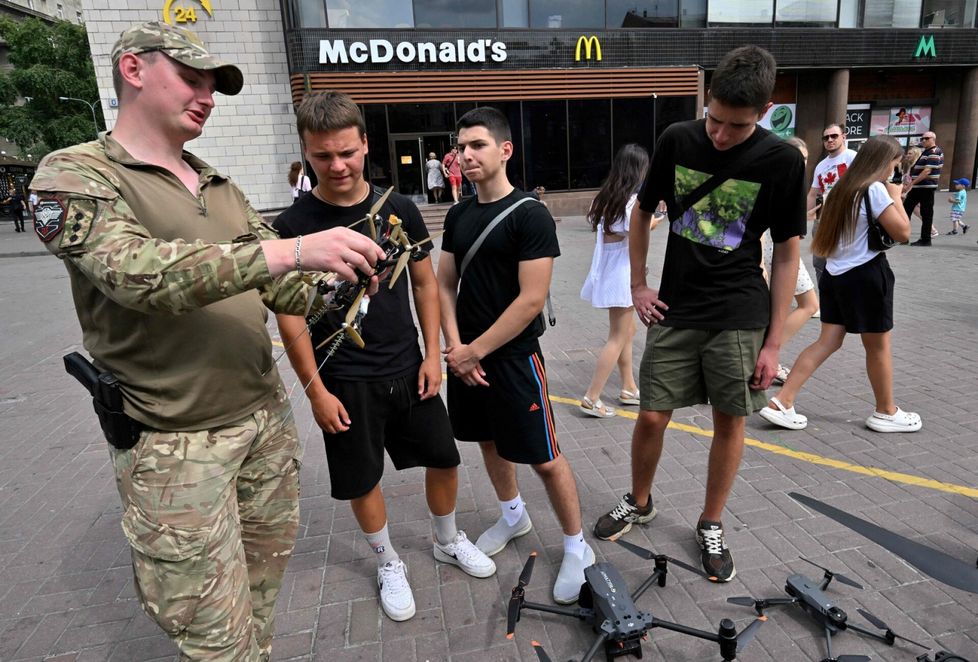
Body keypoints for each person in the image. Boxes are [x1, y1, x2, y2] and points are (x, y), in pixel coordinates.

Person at [28, 22, 385, 662]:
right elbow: (138, 276)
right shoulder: (75, 175)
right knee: (211, 635)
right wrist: (292, 249)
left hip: (264, 428)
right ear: (133, 70)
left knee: (259, 606)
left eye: (213, 85)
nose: (207, 95)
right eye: (192, 79)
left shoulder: (218, 185)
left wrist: (341, 283)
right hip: (175, 447)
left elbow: (285, 294)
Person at [272, 91, 495, 623]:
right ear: (306, 153)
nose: (338, 165)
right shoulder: (292, 226)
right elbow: (289, 317)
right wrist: (315, 393)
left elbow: (424, 283)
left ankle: (445, 539)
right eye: (323, 156)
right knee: (362, 478)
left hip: (407, 367)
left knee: (444, 457)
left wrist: (433, 356)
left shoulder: (399, 210)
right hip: (344, 378)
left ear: (365, 143)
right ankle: (387, 560)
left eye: (347, 151)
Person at [593, 45, 806, 585]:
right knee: (650, 415)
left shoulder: (781, 161)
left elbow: (785, 254)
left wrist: (775, 343)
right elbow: (642, 211)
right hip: (676, 309)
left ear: (763, 112)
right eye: (714, 118)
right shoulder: (678, 139)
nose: (719, 134)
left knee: (729, 421)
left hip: (739, 313)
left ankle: (711, 522)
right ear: (707, 101)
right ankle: (639, 501)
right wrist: (638, 284)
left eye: (735, 126)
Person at [436, 107, 594, 604]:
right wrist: (456, 347)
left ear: (505, 150)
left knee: (545, 458)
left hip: (513, 360)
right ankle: (513, 516)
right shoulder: (459, 213)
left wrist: (473, 351)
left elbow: (530, 299)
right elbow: (444, 283)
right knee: (487, 442)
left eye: (477, 145)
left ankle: (576, 547)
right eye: (462, 146)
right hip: (467, 358)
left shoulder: (531, 214)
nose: (467, 155)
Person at [758, 134, 920, 433]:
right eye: (894, 166)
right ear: (885, 163)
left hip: (835, 274)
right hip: (866, 275)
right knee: (878, 347)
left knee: (827, 341)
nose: (892, 173)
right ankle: (886, 410)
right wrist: (897, 195)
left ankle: (782, 400)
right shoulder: (874, 190)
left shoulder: (840, 189)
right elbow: (903, 232)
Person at [578, 143, 653, 417]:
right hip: (623, 273)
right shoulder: (632, 201)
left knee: (627, 332)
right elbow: (634, 232)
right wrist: (652, 222)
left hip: (611, 270)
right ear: (639, 169)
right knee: (618, 336)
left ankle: (629, 387)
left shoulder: (608, 196)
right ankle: (592, 396)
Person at [764, 137, 819, 385]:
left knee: (800, 305)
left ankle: (766, 352)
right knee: (809, 304)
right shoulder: (785, 182)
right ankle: (766, 352)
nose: (803, 163)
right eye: (800, 158)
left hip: (776, 248)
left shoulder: (779, 179)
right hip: (779, 250)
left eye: (806, 159)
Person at [808, 124, 857, 283]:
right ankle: (825, 299)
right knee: (820, 262)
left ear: (844, 136)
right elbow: (813, 193)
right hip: (823, 219)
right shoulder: (821, 165)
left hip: (847, 218)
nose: (829, 140)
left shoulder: (853, 157)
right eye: (826, 137)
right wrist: (802, 218)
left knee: (847, 263)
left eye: (834, 136)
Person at [905, 131, 943, 246]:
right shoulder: (926, 152)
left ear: (933, 139)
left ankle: (926, 239)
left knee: (926, 213)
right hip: (919, 186)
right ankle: (903, 236)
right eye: (922, 138)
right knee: (906, 209)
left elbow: (927, 171)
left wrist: (912, 183)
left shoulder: (934, 152)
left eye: (926, 138)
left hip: (926, 186)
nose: (923, 140)